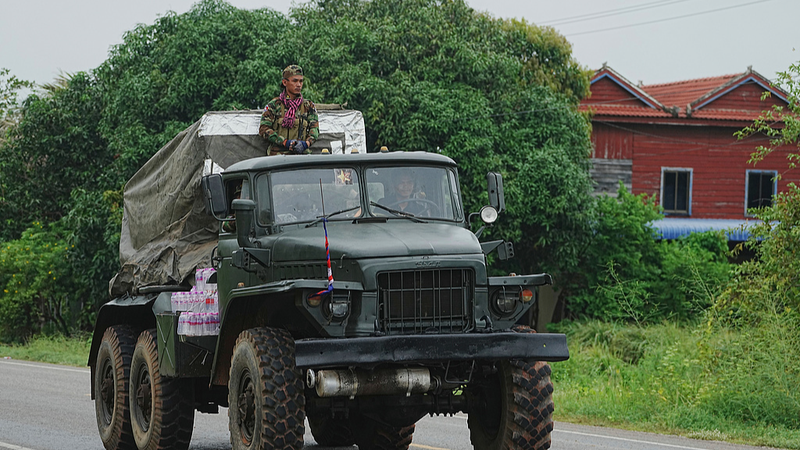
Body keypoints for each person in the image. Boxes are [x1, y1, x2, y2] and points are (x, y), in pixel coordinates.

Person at [259, 64, 320, 156]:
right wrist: (285, 142)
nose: (299, 85)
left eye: (301, 81)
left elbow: (314, 129)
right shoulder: (274, 105)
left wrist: (305, 144)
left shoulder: (308, 106)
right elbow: (264, 129)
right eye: (295, 81)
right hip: (278, 155)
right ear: (284, 82)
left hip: (301, 155)